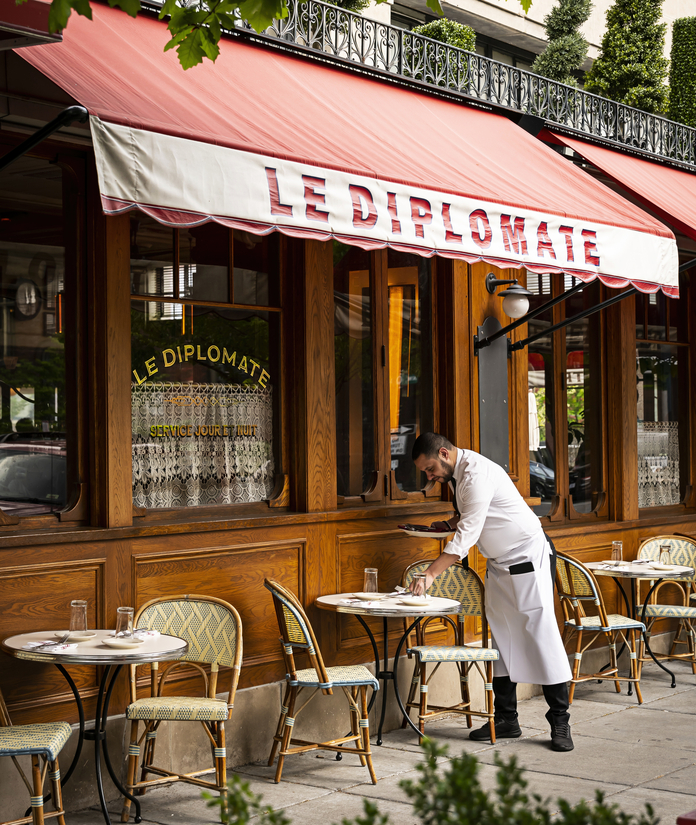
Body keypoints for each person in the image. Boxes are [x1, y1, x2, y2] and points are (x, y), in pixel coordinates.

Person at [410, 432, 573, 752]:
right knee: (501, 638)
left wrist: (430, 573)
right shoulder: (457, 474)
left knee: (543, 637)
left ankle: (560, 721)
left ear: (444, 453)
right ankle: (506, 719)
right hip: (499, 563)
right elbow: (470, 517)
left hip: (528, 557)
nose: (429, 477)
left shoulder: (474, 475)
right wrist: (447, 524)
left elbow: (468, 533)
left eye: (430, 469)